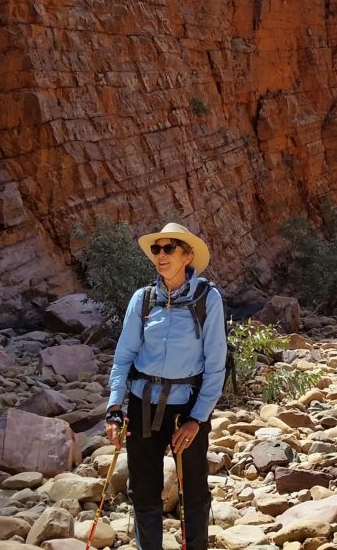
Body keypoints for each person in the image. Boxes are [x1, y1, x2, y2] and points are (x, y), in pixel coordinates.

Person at [105, 222, 226, 550]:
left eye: (168, 248)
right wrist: (114, 408)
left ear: (187, 255)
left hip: (187, 406)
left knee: (195, 489)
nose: (160, 255)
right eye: (156, 249)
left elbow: (216, 365)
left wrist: (196, 419)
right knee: (143, 489)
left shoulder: (207, 299)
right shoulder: (142, 300)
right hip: (142, 404)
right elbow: (123, 358)